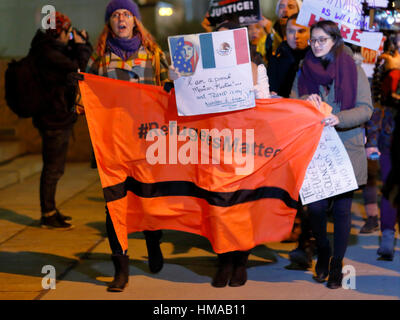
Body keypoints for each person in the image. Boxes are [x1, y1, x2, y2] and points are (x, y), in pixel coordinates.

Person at [86, 0, 171, 292]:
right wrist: (78, 92)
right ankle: (120, 268)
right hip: (112, 146)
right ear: (109, 23)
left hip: (148, 144)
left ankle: (153, 243)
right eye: (115, 15)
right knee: (114, 207)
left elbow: (174, 89)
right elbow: (84, 101)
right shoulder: (99, 58)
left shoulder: (155, 56)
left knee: (149, 200)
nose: (121, 18)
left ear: (136, 21)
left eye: (126, 14)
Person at [290, 20, 373, 289]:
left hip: (346, 147)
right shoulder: (304, 68)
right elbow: (292, 101)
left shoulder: (352, 67)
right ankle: (323, 249)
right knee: (314, 208)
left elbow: (365, 109)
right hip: (316, 147)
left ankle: (336, 263)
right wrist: (304, 102)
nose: (315, 44)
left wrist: (338, 118)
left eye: (322, 40)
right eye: (312, 39)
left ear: (335, 40)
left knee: (341, 209)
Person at [30, 12, 92, 230]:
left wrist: (77, 44)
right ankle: (47, 214)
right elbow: (78, 69)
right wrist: (83, 46)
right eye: (68, 30)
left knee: (55, 168)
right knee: (53, 168)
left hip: (56, 117)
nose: (70, 35)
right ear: (60, 32)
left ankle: (51, 210)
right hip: (53, 119)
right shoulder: (49, 54)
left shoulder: (48, 49)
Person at [365, 32, 400, 259]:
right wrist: (373, 139)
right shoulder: (386, 61)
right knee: (390, 186)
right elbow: (377, 100)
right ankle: (387, 234)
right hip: (391, 132)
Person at [267, 13, 310, 98]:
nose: (296, 36)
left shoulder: (318, 58)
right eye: (291, 31)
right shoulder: (276, 58)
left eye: (301, 31)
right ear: (285, 33)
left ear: (310, 33)